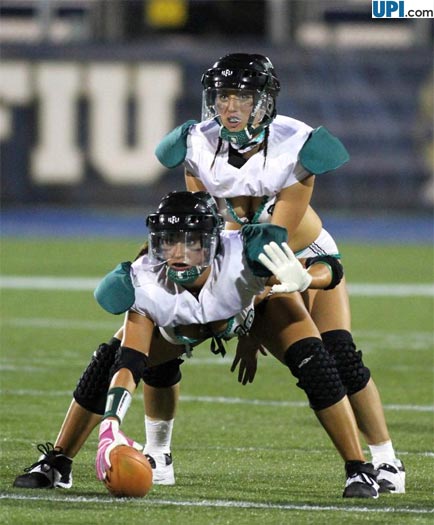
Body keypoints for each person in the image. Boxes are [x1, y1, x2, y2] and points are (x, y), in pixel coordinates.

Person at [154, 53, 404, 494]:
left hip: (301, 257)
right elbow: (207, 232)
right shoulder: (197, 144)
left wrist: (248, 319)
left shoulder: (297, 142)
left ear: (264, 101)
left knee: (340, 355)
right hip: (240, 260)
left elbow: (276, 241)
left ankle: (386, 461)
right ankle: (159, 453)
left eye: (244, 96)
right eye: (223, 95)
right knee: (167, 337)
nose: (230, 107)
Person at [92, 190, 379, 498]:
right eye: (170, 240)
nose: (178, 252)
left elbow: (328, 264)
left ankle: (367, 464)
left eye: (189, 241)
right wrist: (109, 426)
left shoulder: (248, 248)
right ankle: (61, 459)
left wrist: (304, 282)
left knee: (318, 362)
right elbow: (129, 363)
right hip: (205, 313)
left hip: (265, 295)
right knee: (112, 361)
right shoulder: (147, 277)